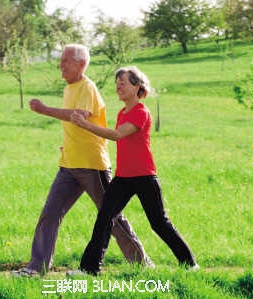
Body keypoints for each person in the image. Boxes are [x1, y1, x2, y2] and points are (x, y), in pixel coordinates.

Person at [12, 45, 152, 277]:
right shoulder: (69, 88)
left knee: (111, 217)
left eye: (66, 60)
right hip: (68, 163)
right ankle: (36, 268)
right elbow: (73, 124)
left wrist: (45, 109)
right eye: (61, 60)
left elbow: (78, 116)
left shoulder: (87, 87)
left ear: (81, 64)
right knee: (50, 213)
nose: (61, 64)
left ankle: (141, 262)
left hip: (92, 165)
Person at [70, 66, 199, 275]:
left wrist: (84, 125)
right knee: (104, 217)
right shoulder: (122, 112)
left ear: (137, 86)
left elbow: (117, 135)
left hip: (145, 176)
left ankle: (190, 264)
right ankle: (89, 269)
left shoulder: (141, 112)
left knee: (159, 223)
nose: (118, 86)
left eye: (123, 82)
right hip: (123, 177)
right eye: (117, 83)